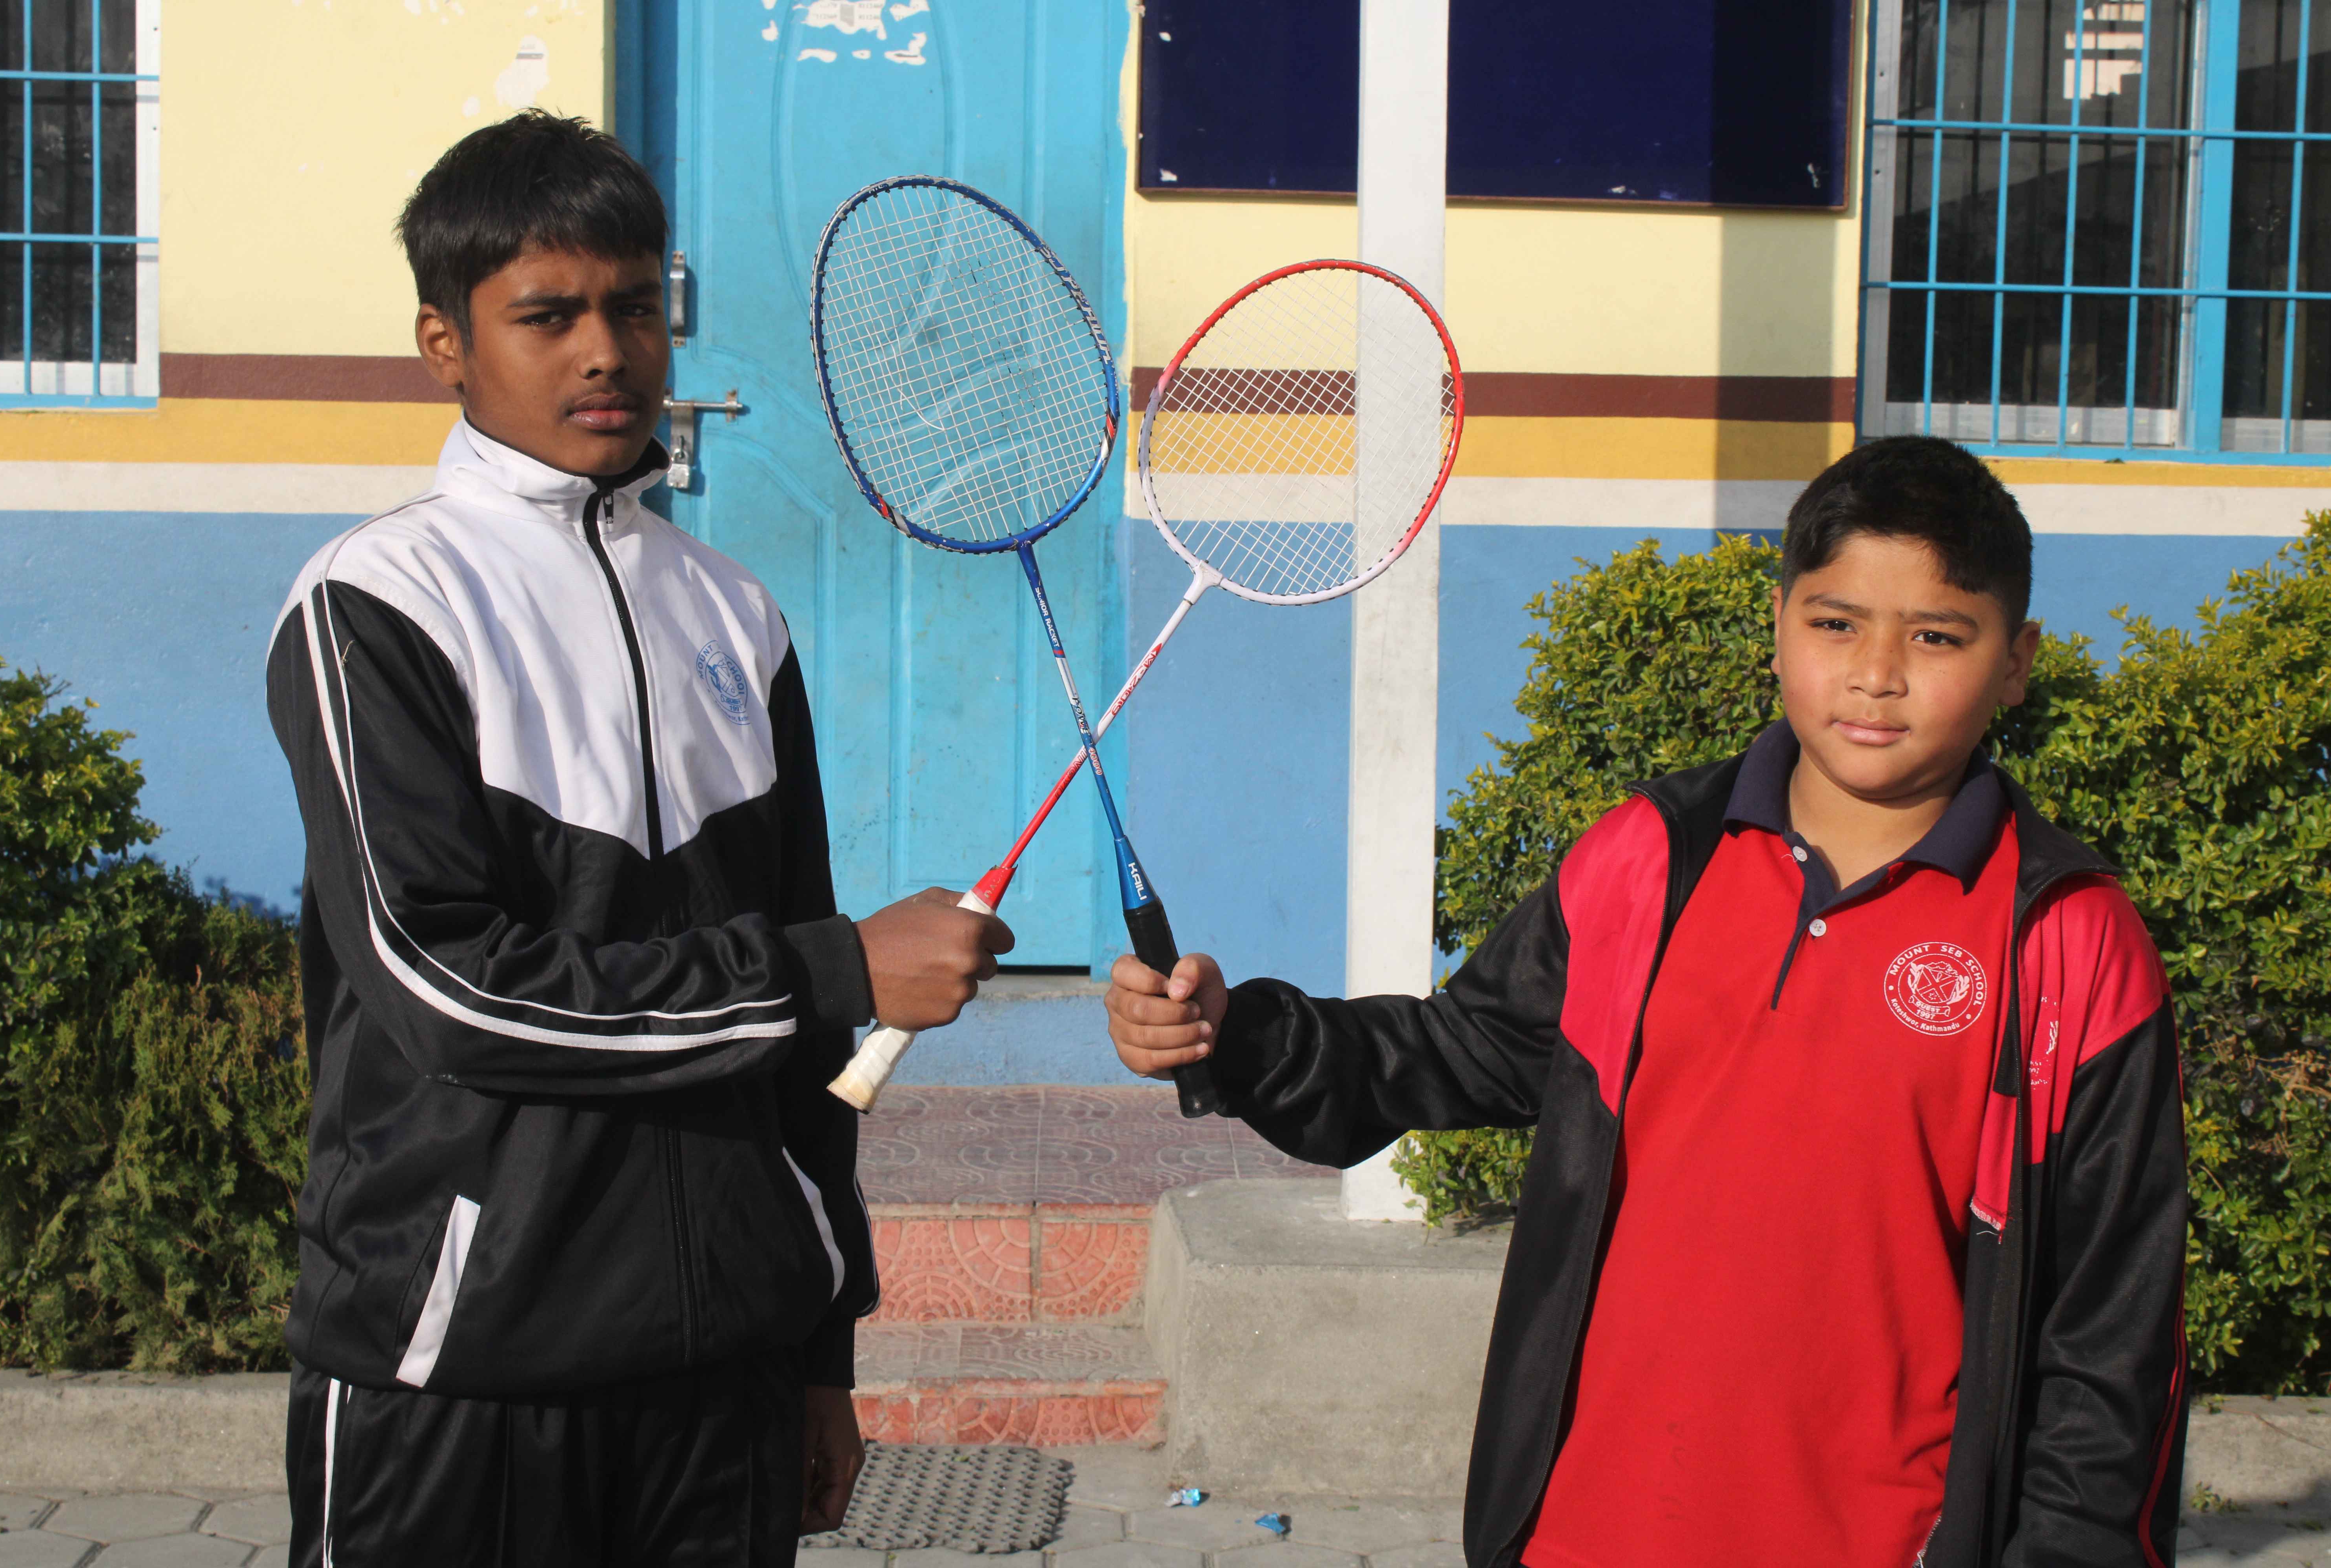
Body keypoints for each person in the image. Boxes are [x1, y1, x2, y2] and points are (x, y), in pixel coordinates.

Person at [1106, 436, 2187, 1568]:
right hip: (1588, 1528)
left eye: (1936, 637)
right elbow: (1461, 1047)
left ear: (2016, 661)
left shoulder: (2066, 943)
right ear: (1780, 626)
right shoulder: (1654, 860)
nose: (1877, 673)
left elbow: (2112, 1334)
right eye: (1836, 623)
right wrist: (1242, 1039)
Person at [265, 110, 1011, 1567]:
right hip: (459, 1368)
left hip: (725, 1376)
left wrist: (821, 1353)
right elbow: (446, 988)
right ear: (444, 343)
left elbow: (806, 1070)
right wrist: (830, 968)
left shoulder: (736, 614)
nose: (605, 353)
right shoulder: (379, 601)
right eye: (548, 316)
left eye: (635, 307)